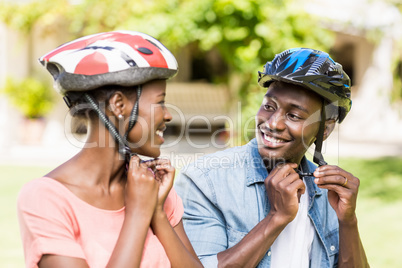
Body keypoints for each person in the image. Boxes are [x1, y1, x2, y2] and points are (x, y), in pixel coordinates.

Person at [17, 31, 202, 268]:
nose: (168, 115)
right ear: (118, 105)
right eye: (160, 102)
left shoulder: (153, 186)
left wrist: (157, 212)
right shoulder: (46, 199)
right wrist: (138, 213)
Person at [175, 48, 370, 267]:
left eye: (294, 115)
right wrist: (276, 217)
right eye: (269, 106)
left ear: (324, 130)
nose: (273, 123)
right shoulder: (205, 181)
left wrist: (348, 221)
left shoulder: (327, 192)